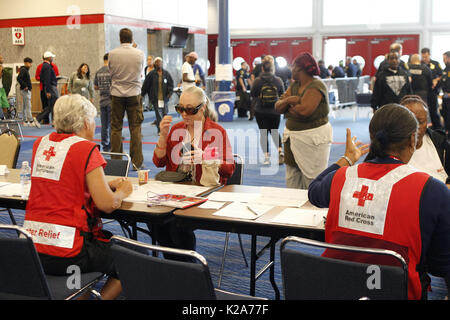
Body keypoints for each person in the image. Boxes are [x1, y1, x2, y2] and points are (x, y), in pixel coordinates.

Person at [308, 103, 450, 300]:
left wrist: (347, 159)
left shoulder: (342, 177)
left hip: (337, 287)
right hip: (397, 291)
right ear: (412, 140)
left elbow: (313, 191)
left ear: (372, 137)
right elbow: (440, 266)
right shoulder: (433, 190)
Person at [23, 94, 133, 300]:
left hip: (32, 247)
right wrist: (122, 192)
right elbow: (107, 204)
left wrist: (103, 183)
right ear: (85, 122)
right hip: (68, 251)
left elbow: (63, 180)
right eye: (93, 120)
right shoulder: (85, 148)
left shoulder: (41, 144)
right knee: (129, 261)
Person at [152, 86, 235, 259]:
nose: (184, 114)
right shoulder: (176, 130)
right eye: (180, 108)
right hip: (177, 191)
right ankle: (177, 265)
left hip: (204, 192)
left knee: (176, 223)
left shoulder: (216, 132)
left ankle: (185, 266)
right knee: (154, 219)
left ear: (202, 108)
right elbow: (159, 162)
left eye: (190, 110)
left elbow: (229, 169)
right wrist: (162, 136)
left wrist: (206, 158)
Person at [275, 53, 332, 189]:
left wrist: (289, 106)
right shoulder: (294, 86)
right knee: (292, 179)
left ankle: (312, 210)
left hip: (312, 141)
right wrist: (290, 100)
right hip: (292, 139)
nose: (291, 69)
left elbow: (304, 111)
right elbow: (278, 107)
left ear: (300, 69)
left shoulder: (316, 85)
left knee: (312, 181)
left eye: (293, 66)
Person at [108, 28, 145, 170]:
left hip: (117, 94)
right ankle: (136, 162)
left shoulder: (112, 53)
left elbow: (111, 72)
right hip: (134, 94)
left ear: (120, 38)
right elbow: (140, 72)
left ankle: (116, 162)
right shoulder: (139, 53)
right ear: (132, 38)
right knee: (135, 128)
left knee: (116, 128)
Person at [401, 95, 449, 185]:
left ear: (427, 122)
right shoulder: (390, 148)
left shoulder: (439, 142)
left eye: (421, 121)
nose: (416, 127)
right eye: (410, 122)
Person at [250, 60, 285, 165]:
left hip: (261, 110)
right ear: (272, 68)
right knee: (275, 131)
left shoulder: (257, 81)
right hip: (275, 110)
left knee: (263, 133)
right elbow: (282, 94)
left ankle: (266, 157)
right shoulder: (278, 80)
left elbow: (253, 94)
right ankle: (280, 151)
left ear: (262, 68)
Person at [141, 57, 174, 135]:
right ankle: (160, 130)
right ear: (154, 64)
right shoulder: (151, 74)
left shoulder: (166, 73)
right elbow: (146, 85)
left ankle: (165, 129)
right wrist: (142, 94)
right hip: (155, 98)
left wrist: (170, 94)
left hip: (164, 98)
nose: (158, 64)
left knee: (165, 114)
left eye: (160, 62)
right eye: (157, 62)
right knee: (159, 115)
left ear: (162, 63)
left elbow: (171, 84)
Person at [421, 48, 444, 130]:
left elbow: (441, 75)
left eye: (426, 56)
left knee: (433, 111)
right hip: (423, 92)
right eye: (423, 57)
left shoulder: (435, 64)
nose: (424, 58)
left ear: (429, 55)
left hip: (433, 91)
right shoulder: (420, 64)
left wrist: (435, 80)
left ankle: (438, 128)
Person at [94, 53, 112, 152]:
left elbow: (95, 86)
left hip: (102, 100)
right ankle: (111, 144)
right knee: (112, 124)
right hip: (111, 100)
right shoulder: (112, 71)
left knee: (104, 125)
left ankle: (105, 145)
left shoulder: (98, 72)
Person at [35, 53, 60, 125]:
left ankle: (51, 121)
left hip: (49, 87)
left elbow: (43, 79)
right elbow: (47, 79)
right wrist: (48, 91)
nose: (52, 58)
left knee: (51, 105)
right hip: (51, 88)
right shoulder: (47, 66)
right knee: (52, 105)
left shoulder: (45, 66)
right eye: (51, 57)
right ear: (48, 57)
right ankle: (38, 118)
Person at [17, 57, 40, 128]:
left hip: (25, 90)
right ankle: (30, 120)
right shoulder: (23, 70)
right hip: (25, 90)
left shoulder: (24, 70)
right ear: (26, 63)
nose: (31, 65)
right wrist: (25, 86)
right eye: (30, 63)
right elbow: (18, 78)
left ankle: (25, 120)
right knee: (28, 105)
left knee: (25, 105)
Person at [441, 51, 450, 137]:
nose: (443, 61)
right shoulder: (445, 70)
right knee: (445, 114)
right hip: (445, 97)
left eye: (444, 59)